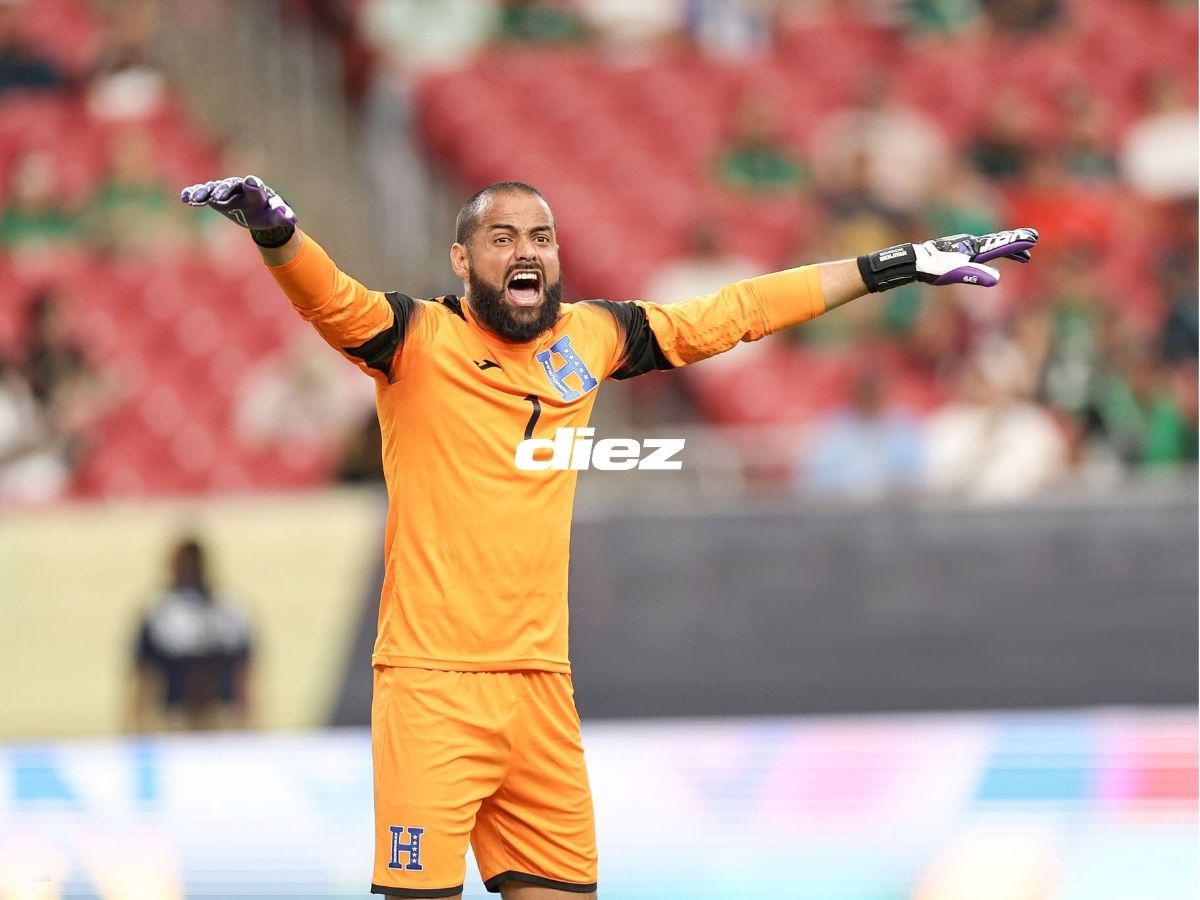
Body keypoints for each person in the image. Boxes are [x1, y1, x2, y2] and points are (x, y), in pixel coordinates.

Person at [180, 174, 1037, 899]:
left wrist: (886, 268)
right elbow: (333, 303)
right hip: (433, 688)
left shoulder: (590, 338)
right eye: (503, 235)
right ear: (462, 260)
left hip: (543, 691)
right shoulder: (415, 339)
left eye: (542, 236)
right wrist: (278, 233)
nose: (527, 250)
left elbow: (733, 313)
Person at [129, 536, 254, 732]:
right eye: (183, 565)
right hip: (176, 719)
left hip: (220, 717)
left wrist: (248, 724)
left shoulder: (228, 611)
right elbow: (143, 677)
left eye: (193, 564)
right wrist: (138, 728)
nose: (189, 571)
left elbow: (244, 674)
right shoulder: (160, 613)